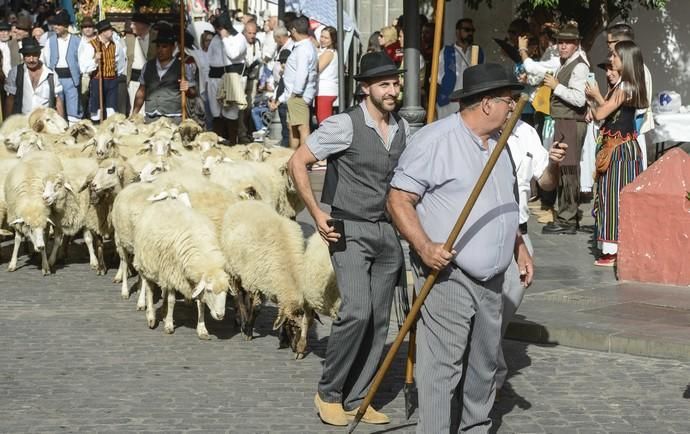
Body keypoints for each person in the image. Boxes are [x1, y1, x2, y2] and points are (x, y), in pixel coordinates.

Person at [387, 63, 531, 433]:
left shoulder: (500, 145)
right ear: (486, 104)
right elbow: (398, 199)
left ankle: (474, 429)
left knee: (484, 366)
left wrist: (518, 247)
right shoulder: (435, 140)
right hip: (448, 274)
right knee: (442, 368)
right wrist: (423, 245)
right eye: (508, 100)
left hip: (493, 277)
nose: (513, 108)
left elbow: (503, 204)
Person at [288, 51, 409, 427]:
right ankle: (329, 393)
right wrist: (317, 212)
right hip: (348, 228)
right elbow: (298, 162)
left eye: (395, 83)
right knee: (355, 310)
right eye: (384, 84)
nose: (392, 90)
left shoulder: (403, 127)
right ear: (366, 88)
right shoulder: (344, 125)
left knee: (378, 320)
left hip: (387, 232)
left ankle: (360, 396)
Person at [496, 118, 567, 395]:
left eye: (514, 97)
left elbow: (546, 183)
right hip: (489, 232)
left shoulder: (526, 132)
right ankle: (488, 376)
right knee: (486, 311)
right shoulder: (478, 132)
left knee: (503, 309)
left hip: (521, 234)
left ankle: (485, 367)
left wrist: (554, 163)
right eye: (506, 96)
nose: (511, 104)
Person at [585, 41, 647, 267]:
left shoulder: (624, 88)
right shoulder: (626, 86)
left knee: (614, 198)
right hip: (621, 148)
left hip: (620, 150)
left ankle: (613, 251)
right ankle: (617, 248)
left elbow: (602, 112)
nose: (611, 59)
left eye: (614, 56)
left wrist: (594, 100)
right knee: (611, 195)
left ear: (625, 60)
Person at [541, 22, 588, 235]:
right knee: (563, 169)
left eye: (568, 42)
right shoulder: (564, 62)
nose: (563, 46)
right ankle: (566, 215)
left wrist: (555, 87)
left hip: (571, 122)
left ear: (576, 44)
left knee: (569, 171)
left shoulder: (579, 65)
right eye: (560, 42)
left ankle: (567, 219)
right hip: (563, 120)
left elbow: (579, 100)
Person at [606, 22, 653, 168]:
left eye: (610, 42)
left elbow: (638, 112)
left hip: (629, 137)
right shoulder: (621, 68)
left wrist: (627, 139)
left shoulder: (636, 70)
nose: (608, 46)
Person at [130, 29, 195, 123]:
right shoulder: (147, 66)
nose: (160, 50)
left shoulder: (183, 67)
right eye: (158, 46)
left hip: (173, 118)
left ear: (173, 47)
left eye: (164, 46)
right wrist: (134, 113)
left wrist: (187, 89)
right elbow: (141, 91)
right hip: (151, 117)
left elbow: (193, 93)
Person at [274, 15, 317, 149]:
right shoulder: (304, 47)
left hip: (298, 95)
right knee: (292, 129)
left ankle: (303, 159)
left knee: (302, 128)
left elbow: (302, 73)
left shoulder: (304, 49)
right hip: (295, 95)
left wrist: (296, 93)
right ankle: (293, 157)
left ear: (293, 30)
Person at [206, 11, 247, 144]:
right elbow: (209, 58)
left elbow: (233, 54)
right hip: (215, 78)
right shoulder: (215, 39)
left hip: (232, 78)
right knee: (216, 113)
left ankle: (232, 143)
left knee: (231, 113)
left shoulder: (239, 38)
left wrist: (225, 38)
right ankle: (217, 141)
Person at [79, 19, 126, 121]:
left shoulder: (116, 45)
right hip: (97, 80)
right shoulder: (91, 45)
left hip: (112, 80)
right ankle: (96, 127)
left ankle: (110, 128)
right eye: (109, 30)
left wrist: (116, 73)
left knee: (111, 108)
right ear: (103, 32)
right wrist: (95, 60)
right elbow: (83, 67)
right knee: (96, 108)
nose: (112, 32)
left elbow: (121, 61)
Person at [437, 18, 484, 120]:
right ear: (457, 32)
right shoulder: (447, 52)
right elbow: (438, 78)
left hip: (470, 104)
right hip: (449, 104)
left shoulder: (478, 52)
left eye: (472, 30)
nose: (470, 33)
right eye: (467, 30)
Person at [4, 37, 64, 116]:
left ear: (39, 54)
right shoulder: (15, 72)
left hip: (44, 122)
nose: (31, 59)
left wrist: (62, 124)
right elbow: (10, 99)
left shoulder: (51, 74)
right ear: (23, 56)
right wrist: (7, 124)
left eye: (34, 55)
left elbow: (58, 100)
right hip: (22, 121)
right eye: (28, 56)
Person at [41, 11, 81, 124]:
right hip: (56, 77)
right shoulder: (50, 41)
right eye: (55, 24)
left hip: (72, 78)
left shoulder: (77, 41)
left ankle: (74, 130)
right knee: (57, 105)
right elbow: (46, 58)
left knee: (73, 105)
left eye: (59, 25)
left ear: (66, 26)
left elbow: (82, 59)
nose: (55, 27)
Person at [125, 13, 156, 114]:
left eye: (133, 24)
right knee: (134, 112)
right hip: (134, 82)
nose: (131, 26)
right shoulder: (129, 39)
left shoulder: (156, 38)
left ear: (141, 25)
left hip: (152, 82)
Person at [238, 20, 261, 143]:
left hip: (253, 79)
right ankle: (241, 133)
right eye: (250, 33)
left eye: (254, 33)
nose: (252, 36)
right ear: (244, 32)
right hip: (242, 79)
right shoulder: (240, 43)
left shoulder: (257, 43)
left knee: (249, 107)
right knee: (241, 107)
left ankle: (246, 130)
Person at [315, 25, 338, 125]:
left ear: (332, 40)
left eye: (326, 38)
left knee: (323, 122)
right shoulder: (326, 51)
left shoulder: (329, 53)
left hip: (325, 90)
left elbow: (316, 68)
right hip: (324, 90)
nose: (322, 40)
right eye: (322, 36)